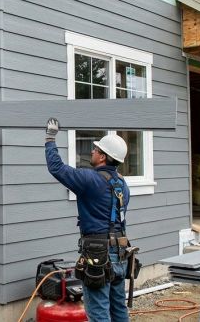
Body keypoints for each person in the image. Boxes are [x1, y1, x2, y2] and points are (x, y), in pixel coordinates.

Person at [44, 118, 131, 322]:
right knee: (118, 310)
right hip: (120, 254)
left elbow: (57, 168)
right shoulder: (122, 185)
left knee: (99, 312)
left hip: (98, 255)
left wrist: (50, 139)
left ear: (102, 157)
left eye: (95, 149)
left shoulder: (90, 180)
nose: (92, 151)